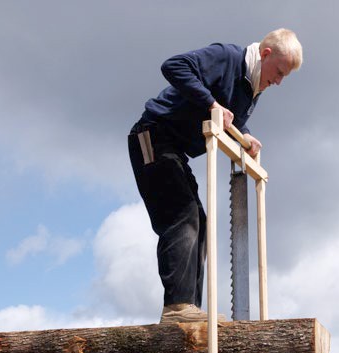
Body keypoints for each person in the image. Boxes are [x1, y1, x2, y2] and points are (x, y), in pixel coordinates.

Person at [129, 29, 302, 324]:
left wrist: (245, 135)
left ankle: (188, 309)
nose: (279, 81)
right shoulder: (228, 58)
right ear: (265, 54)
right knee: (182, 216)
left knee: (200, 220)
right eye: (279, 72)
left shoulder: (251, 88)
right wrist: (211, 104)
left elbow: (233, 117)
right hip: (152, 136)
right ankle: (176, 308)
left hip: (173, 149)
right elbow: (173, 66)